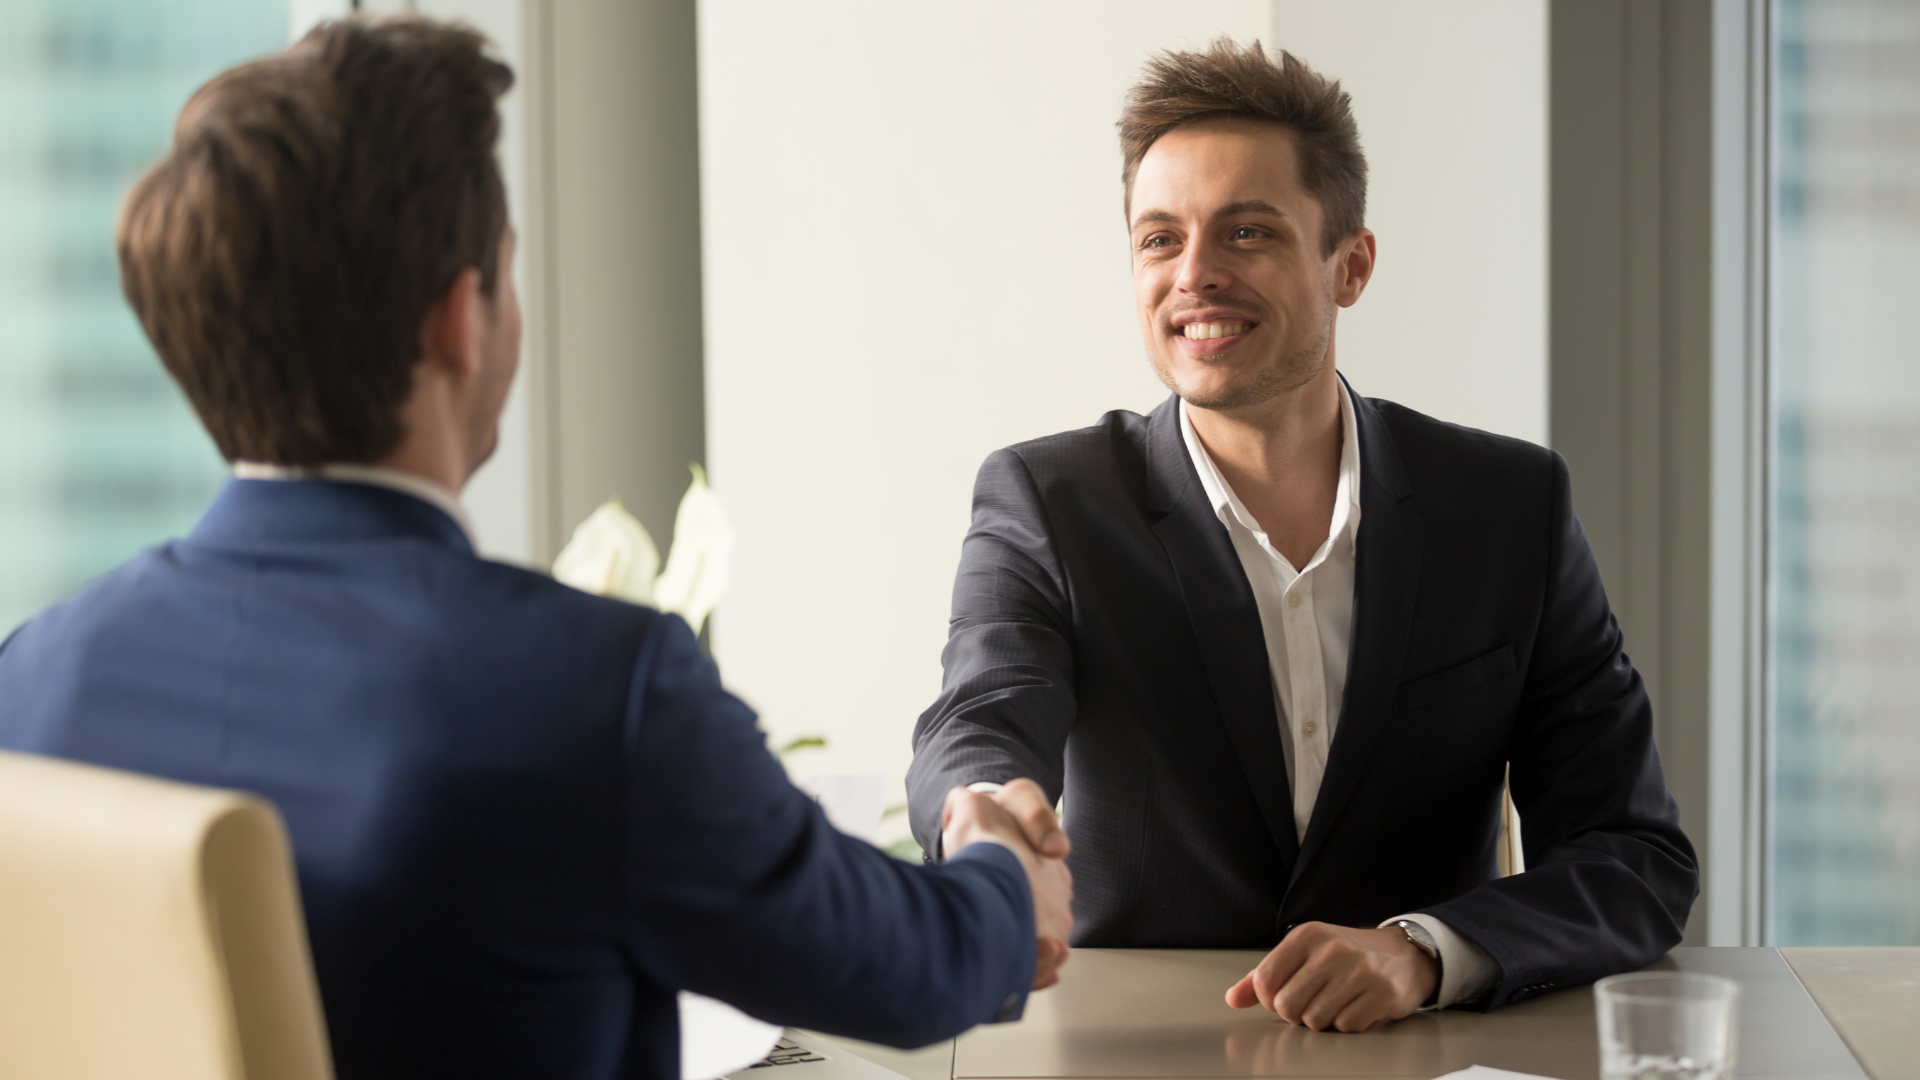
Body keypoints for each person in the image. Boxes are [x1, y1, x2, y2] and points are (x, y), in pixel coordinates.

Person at [0, 18, 1072, 1080]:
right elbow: (908, 969)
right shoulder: (587, 691)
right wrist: (1002, 873)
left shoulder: (37, 678)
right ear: (462, 319)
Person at [906, 39, 1698, 1034]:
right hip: (1144, 1055)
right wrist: (982, 815)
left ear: (1351, 265)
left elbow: (1633, 857)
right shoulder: (1047, 500)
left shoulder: (1507, 507)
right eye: (1160, 239)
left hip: (1424, 1053)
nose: (1194, 276)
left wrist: (1424, 952)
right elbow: (983, 711)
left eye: (1247, 234)